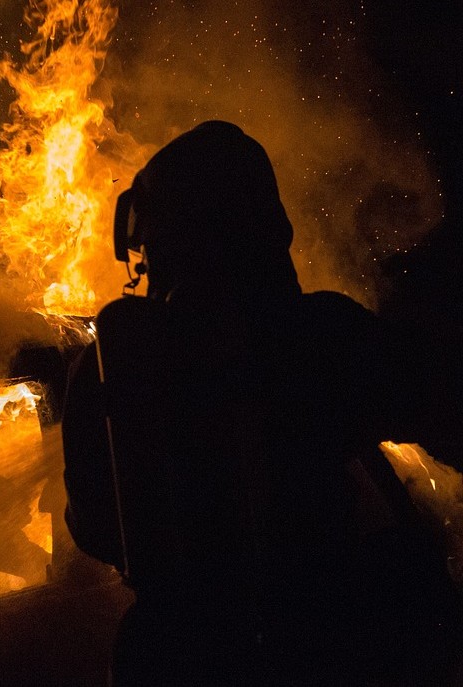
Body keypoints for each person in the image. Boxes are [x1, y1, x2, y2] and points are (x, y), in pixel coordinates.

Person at [61, 121, 461, 684]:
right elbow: (442, 413)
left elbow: (93, 527)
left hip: (177, 655)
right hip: (323, 641)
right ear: (268, 222)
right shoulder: (324, 334)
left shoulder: (116, 361)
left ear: (159, 239)